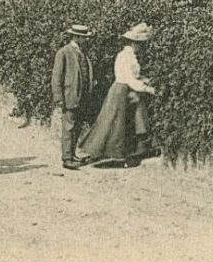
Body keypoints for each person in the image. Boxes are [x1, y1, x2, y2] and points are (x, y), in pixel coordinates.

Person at [80, 22, 158, 166]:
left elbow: (135, 76)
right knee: (113, 123)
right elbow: (129, 79)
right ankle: (103, 153)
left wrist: (146, 80)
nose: (142, 47)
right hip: (121, 91)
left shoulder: (131, 56)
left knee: (124, 122)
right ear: (134, 43)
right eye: (141, 44)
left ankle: (125, 154)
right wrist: (149, 89)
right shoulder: (125, 56)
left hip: (127, 91)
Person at [49, 24, 96, 171]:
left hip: (81, 96)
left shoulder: (83, 53)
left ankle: (73, 154)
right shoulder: (63, 53)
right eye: (83, 38)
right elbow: (56, 78)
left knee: (77, 126)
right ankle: (67, 158)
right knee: (68, 127)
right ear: (76, 37)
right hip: (69, 96)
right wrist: (58, 98)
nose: (86, 40)